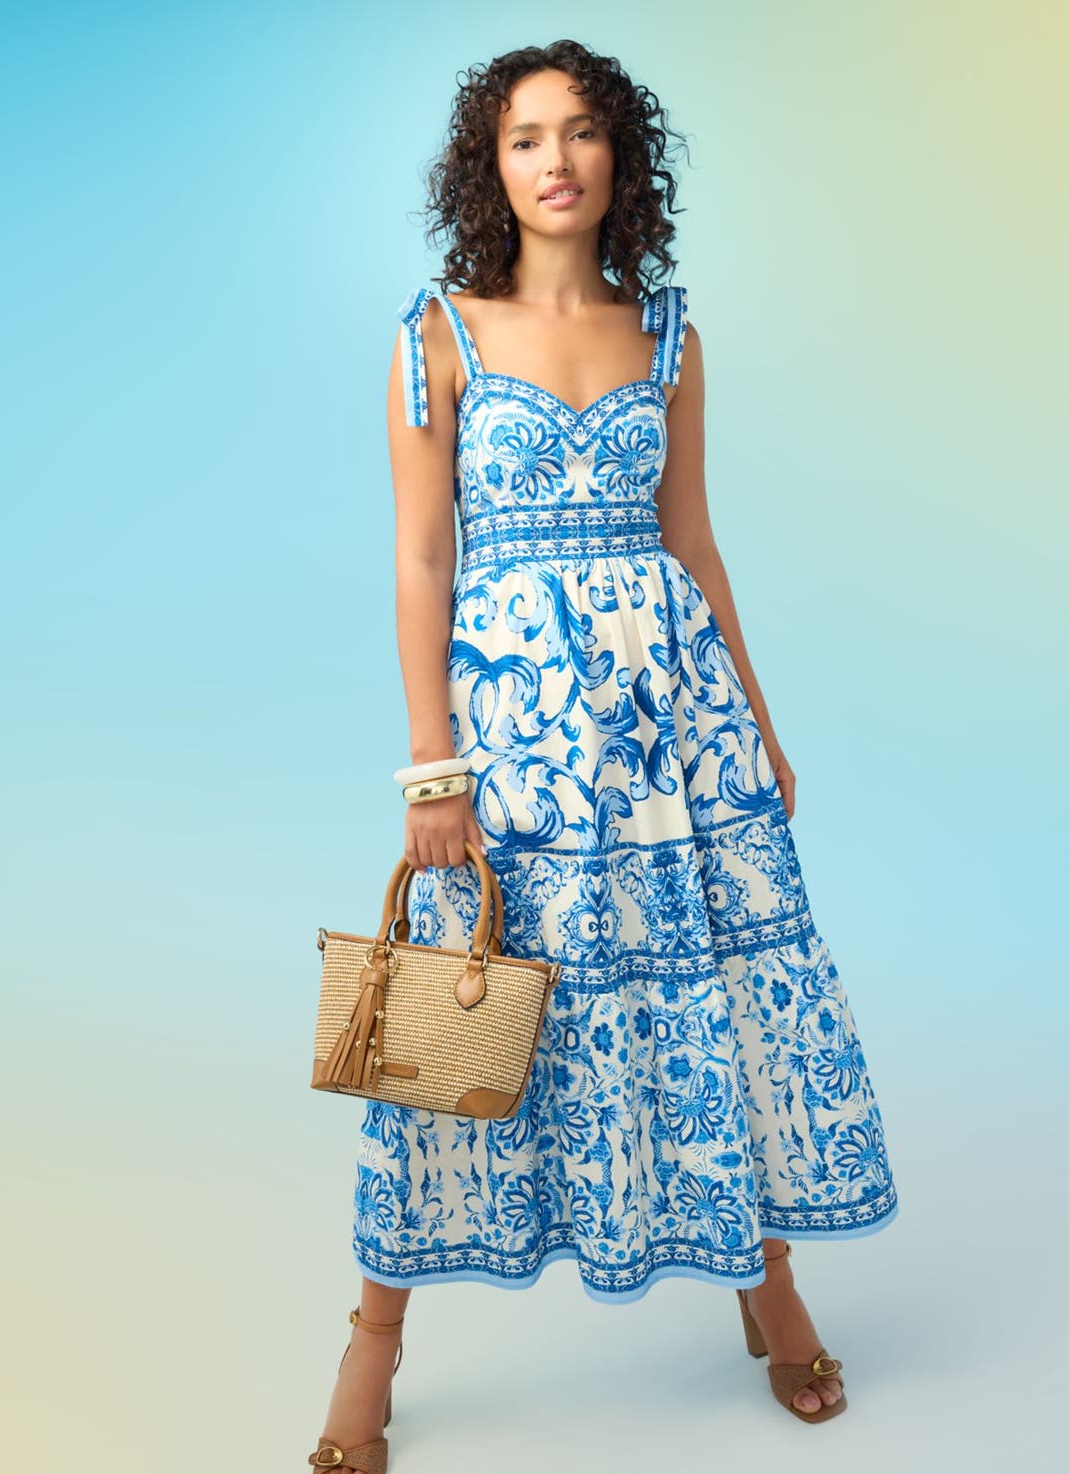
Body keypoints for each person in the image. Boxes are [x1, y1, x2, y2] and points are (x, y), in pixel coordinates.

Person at [307, 40, 900, 1473]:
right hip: (511, 746)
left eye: (581, 133)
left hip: (670, 738)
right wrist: (430, 764)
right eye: (525, 138)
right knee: (476, 1013)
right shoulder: (435, 334)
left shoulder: (673, 336)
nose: (555, 158)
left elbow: (692, 544)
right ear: (489, 166)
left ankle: (770, 1283)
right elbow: (420, 552)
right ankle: (373, 1340)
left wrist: (755, 719)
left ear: (620, 160)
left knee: (710, 992)